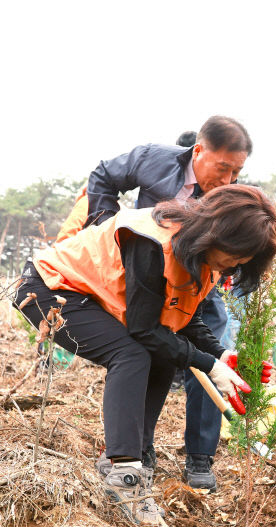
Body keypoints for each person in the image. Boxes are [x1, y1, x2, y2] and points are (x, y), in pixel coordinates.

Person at [14, 185, 276, 527]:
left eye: (243, 262)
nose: (233, 265)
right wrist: (208, 365)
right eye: (234, 255)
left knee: (163, 355)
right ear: (217, 231)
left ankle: (130, 460)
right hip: (49, 288)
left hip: (85, 297)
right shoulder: (152, 240)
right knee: (132, 352)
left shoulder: (204, 255)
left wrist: (222, 353)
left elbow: (185, 316)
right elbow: (143, 330)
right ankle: (124, 472)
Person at [83, 115, 253, 491]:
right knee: (154, 350)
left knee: (214, 362)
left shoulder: (229, 193)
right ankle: (136, 449)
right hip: (152, 277)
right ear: (199, 151)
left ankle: (200, 455)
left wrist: (215, 356)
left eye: (236, 172)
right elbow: (103, 176)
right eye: (222, 168)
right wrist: (105, 224)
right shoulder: (153, 160)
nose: (227, 181)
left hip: (203, 281)